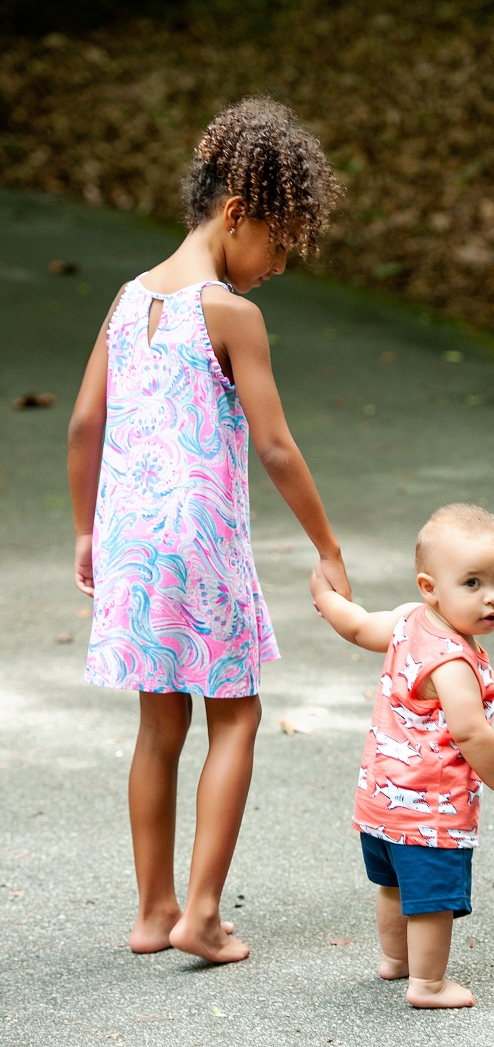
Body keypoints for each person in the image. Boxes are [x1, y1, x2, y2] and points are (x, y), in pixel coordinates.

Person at [67, 97, 350, 964]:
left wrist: (84, 533)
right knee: (236, 715)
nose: (278, 265)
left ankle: (153, 913)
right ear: (236, 215)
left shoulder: (126, 301)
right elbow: (275, 444)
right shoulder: (229, 313)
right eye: (278, 243)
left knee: (160, 726)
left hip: (131, 538)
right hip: (199, 540)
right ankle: (201, 914)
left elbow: (83, 424)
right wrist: (329, 546)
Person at [309, 503, 494, 1008]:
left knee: (393, 885)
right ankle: (428, 984)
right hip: (430, 811)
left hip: (380, 802)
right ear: (430, 587)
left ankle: (396, 960)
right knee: (431, 902)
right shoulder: (453, 663)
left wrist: (325, 596)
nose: (492, 597)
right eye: (472, 583)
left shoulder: (407, 620)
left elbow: (357, 625)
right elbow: (472, 734)